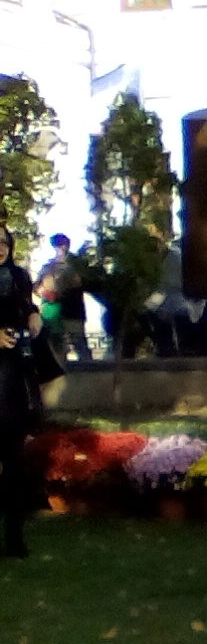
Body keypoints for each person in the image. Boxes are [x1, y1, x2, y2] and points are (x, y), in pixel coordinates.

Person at [0, 226, 45, 559]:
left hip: (13, 372)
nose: (0, 247)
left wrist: (34, 315)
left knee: (14, 457)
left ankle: (14, 536)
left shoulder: (18, 275)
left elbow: (27, 305)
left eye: (4, 242)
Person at [36, 234, 92, 362]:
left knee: (80, 346)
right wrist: (45, 292)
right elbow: (36, 288)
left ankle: (89, 376)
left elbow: (85, 284)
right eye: (57, 245)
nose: (60, 248)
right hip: (52, 314)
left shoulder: (77, 265)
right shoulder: (48, 267)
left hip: (72, 312)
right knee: (56, 350)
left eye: (62, 244)